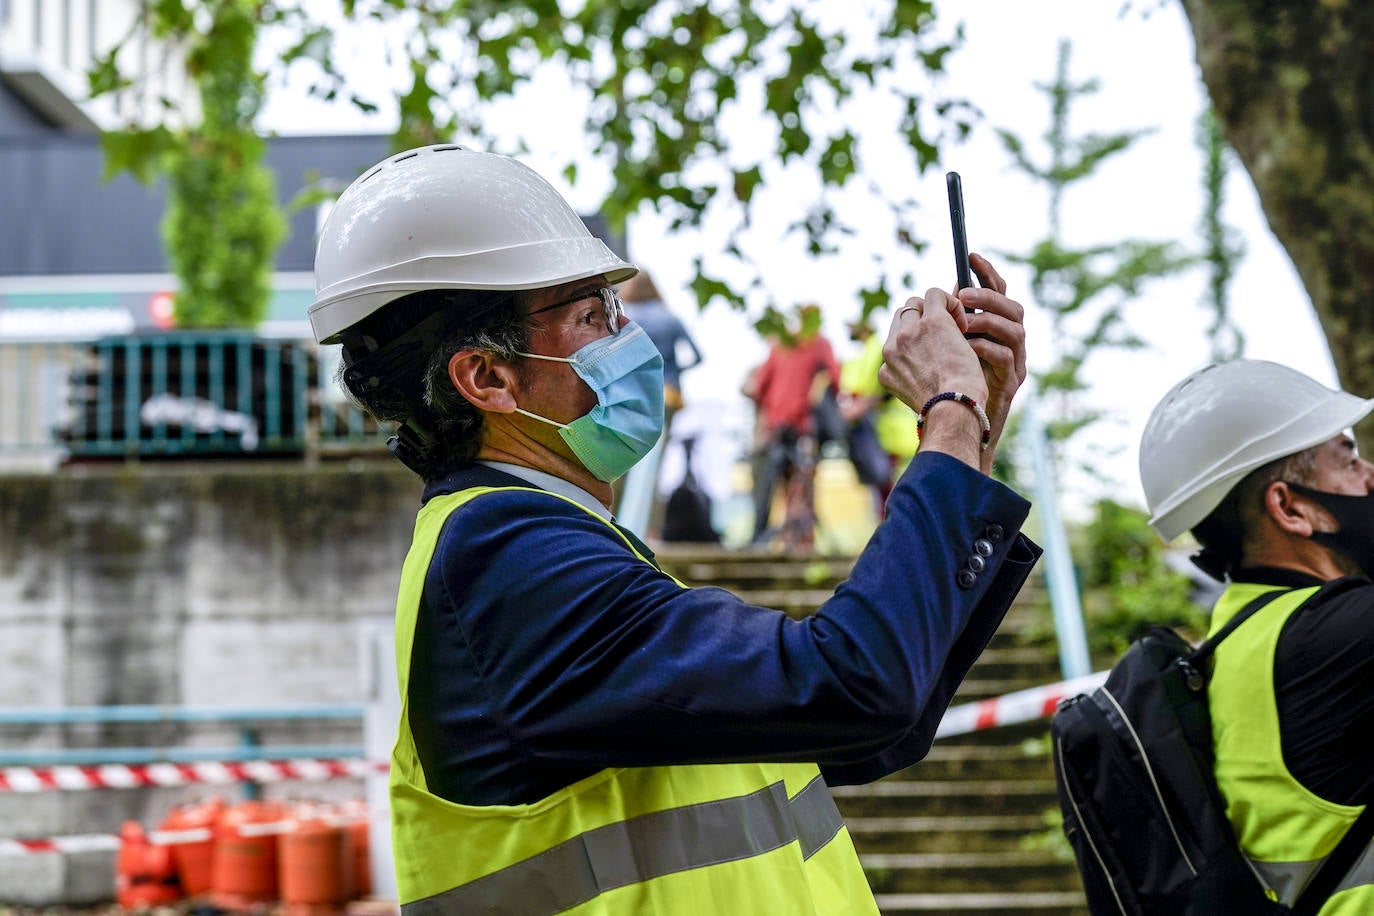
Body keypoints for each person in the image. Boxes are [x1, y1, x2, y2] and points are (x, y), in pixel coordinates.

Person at [309, 143, 1041, 914]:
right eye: (594, 314)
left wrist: (974, 431)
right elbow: (856, 685)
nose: (632, 339)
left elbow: (860, 730)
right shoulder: (508, 561)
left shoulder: (554, 544)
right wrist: (949, 412)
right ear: (487, 378)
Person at [1139, 359, 1374, 912]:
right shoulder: (1337, 637)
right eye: (1350, 459)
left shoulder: (1240, 635)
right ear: (1289, 507)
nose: (1370, 477)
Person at [612, 268, 702, 539]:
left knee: (623, 459)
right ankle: (650, 529)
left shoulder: (625, 318)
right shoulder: (670, 317)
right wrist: (673, 371)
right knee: (655, 466)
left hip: (631, 393)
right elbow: (698, 356)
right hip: (668, 395)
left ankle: (615, 523)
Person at [746, 304, 843, 548]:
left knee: (770, 484)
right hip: (803, 426)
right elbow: (836, 378)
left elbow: (759, 387)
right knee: (802, 485)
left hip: (776, 425)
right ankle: (801, 541)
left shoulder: (782, 344)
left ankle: (761, 537)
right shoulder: (820, 343)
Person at [839, 318, 919, 515]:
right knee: (883, 487)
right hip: (880, 431)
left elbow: (888, 388)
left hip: (892, 432)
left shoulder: (879, 350)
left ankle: (896, 528)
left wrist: (862, 404)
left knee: (893, 486)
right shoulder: (867, 352)